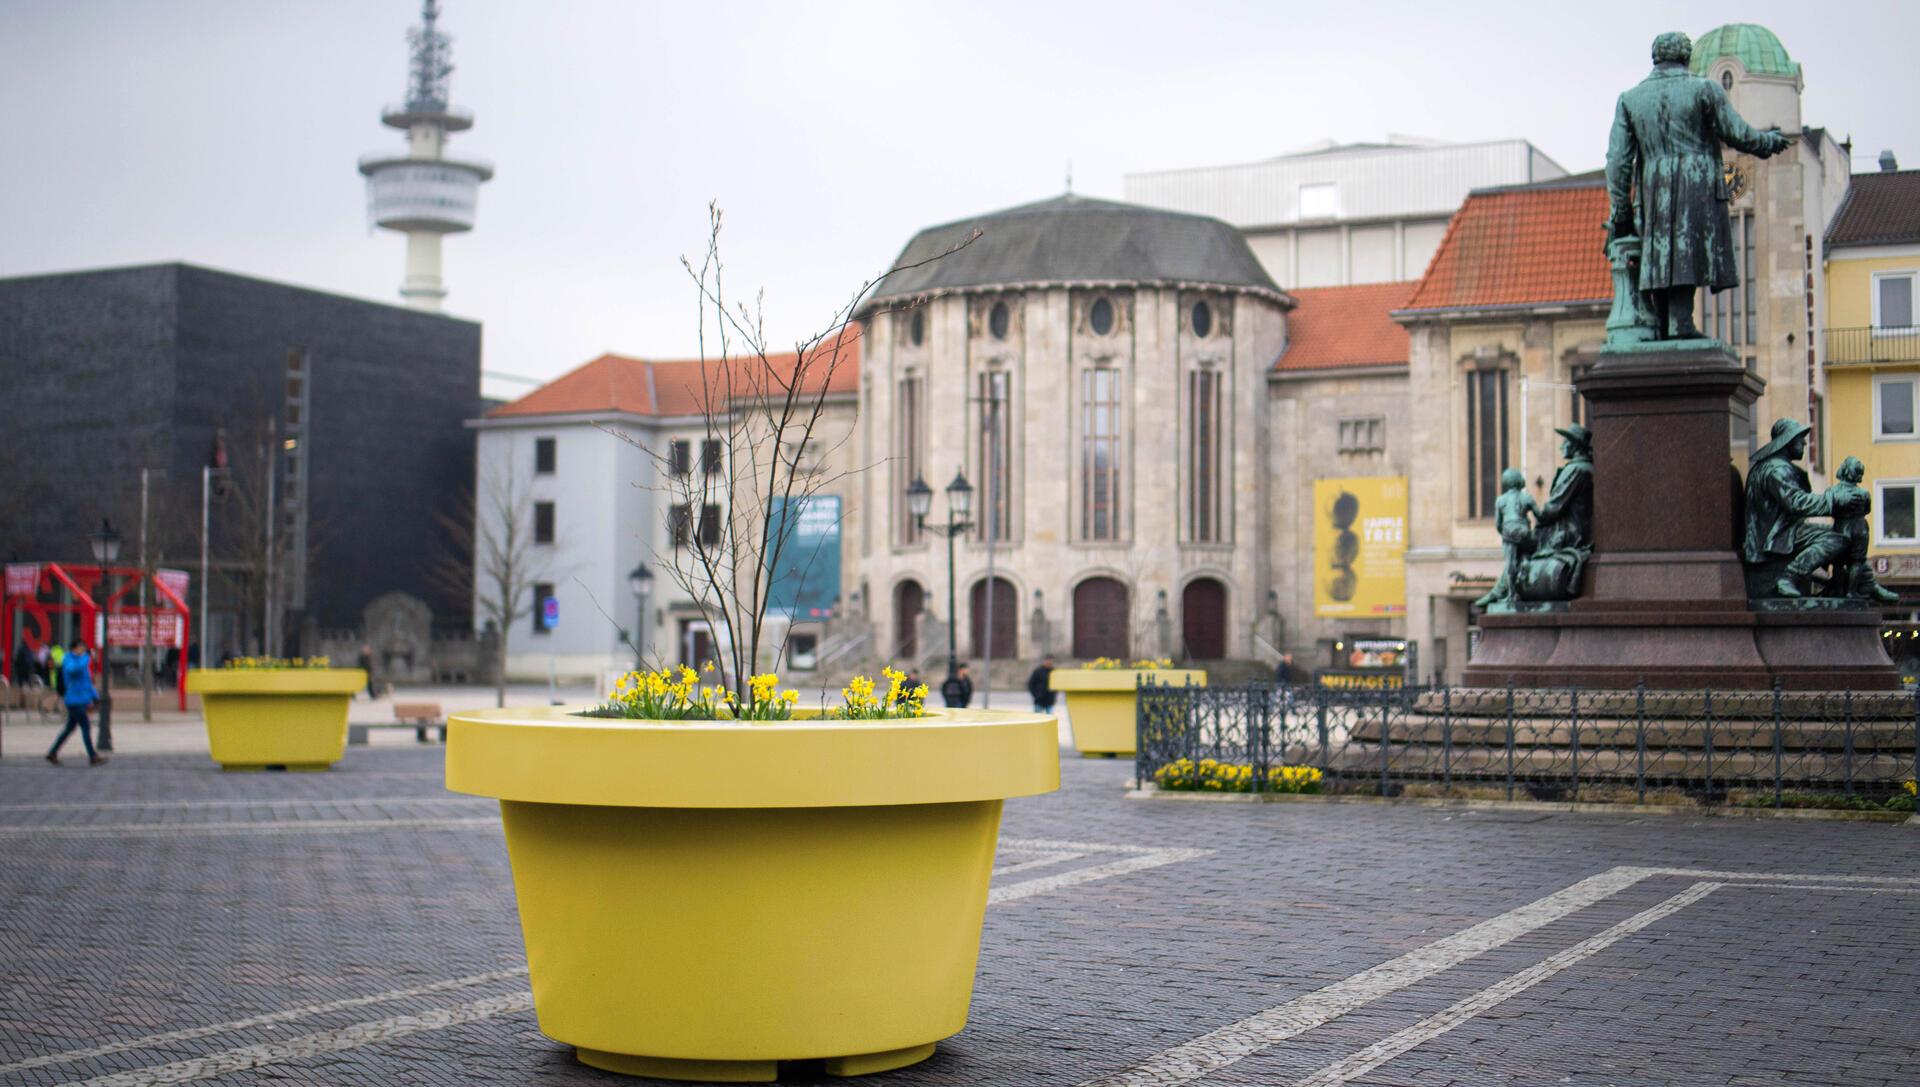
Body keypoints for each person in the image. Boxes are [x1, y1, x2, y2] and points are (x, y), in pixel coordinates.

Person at [1605, 32, 1790, 340]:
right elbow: (1737, 133)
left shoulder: (1630, 99)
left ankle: (1668, 324)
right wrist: (1768, 142)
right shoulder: (1704, 89)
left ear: (1656, 59)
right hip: (1696, 178)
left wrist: (1621, 208)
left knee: (1662, 248)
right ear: (1686, 57)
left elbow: (1617, 162)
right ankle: (1680, 324)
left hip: (1654, 183)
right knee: (1686, 246)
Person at [1743, 418, 1846, 599]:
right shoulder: (1777, 469)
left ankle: (1839, 585)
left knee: (1843, 533)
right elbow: (1797, 503)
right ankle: (1789, 577)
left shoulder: (1772, 466)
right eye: (1800, 439)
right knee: (1836, 540)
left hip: (1780, 532)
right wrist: (1834, 500)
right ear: (1788, 441)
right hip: (1774, 537)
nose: (1805, 442)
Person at [1827, 457, 1900, 603]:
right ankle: (1852, 592)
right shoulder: (1864, 493)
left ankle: (1838, 590)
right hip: (1860, 527)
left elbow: (1829, 509)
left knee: (1838, 561)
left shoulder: (1833, 491)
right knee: (1857, 561)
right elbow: (1867, 509)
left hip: (1841, 527)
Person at [1474, 469, 1539, 609]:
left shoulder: (1500, 500)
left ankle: (1511, 594)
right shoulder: (1526, 497)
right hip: (1523, 530)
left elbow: (1498, 524)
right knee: (1533, 547)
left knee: (1510, 563)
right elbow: (1539, 515)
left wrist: (1505, 534)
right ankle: (1527, 565)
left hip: (1508, 531)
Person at [48, 639, 105, 766]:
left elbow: (87, 683)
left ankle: (52, 752)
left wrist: (94, 697)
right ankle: (92, 756)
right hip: (73, 700)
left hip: (81, 700)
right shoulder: (68, 659)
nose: (83, 650)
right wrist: (87, 657)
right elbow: (74, 670)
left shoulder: (82, 661)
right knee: (85, 726)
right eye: (81, 647)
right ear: (75, 648)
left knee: (69, 728)